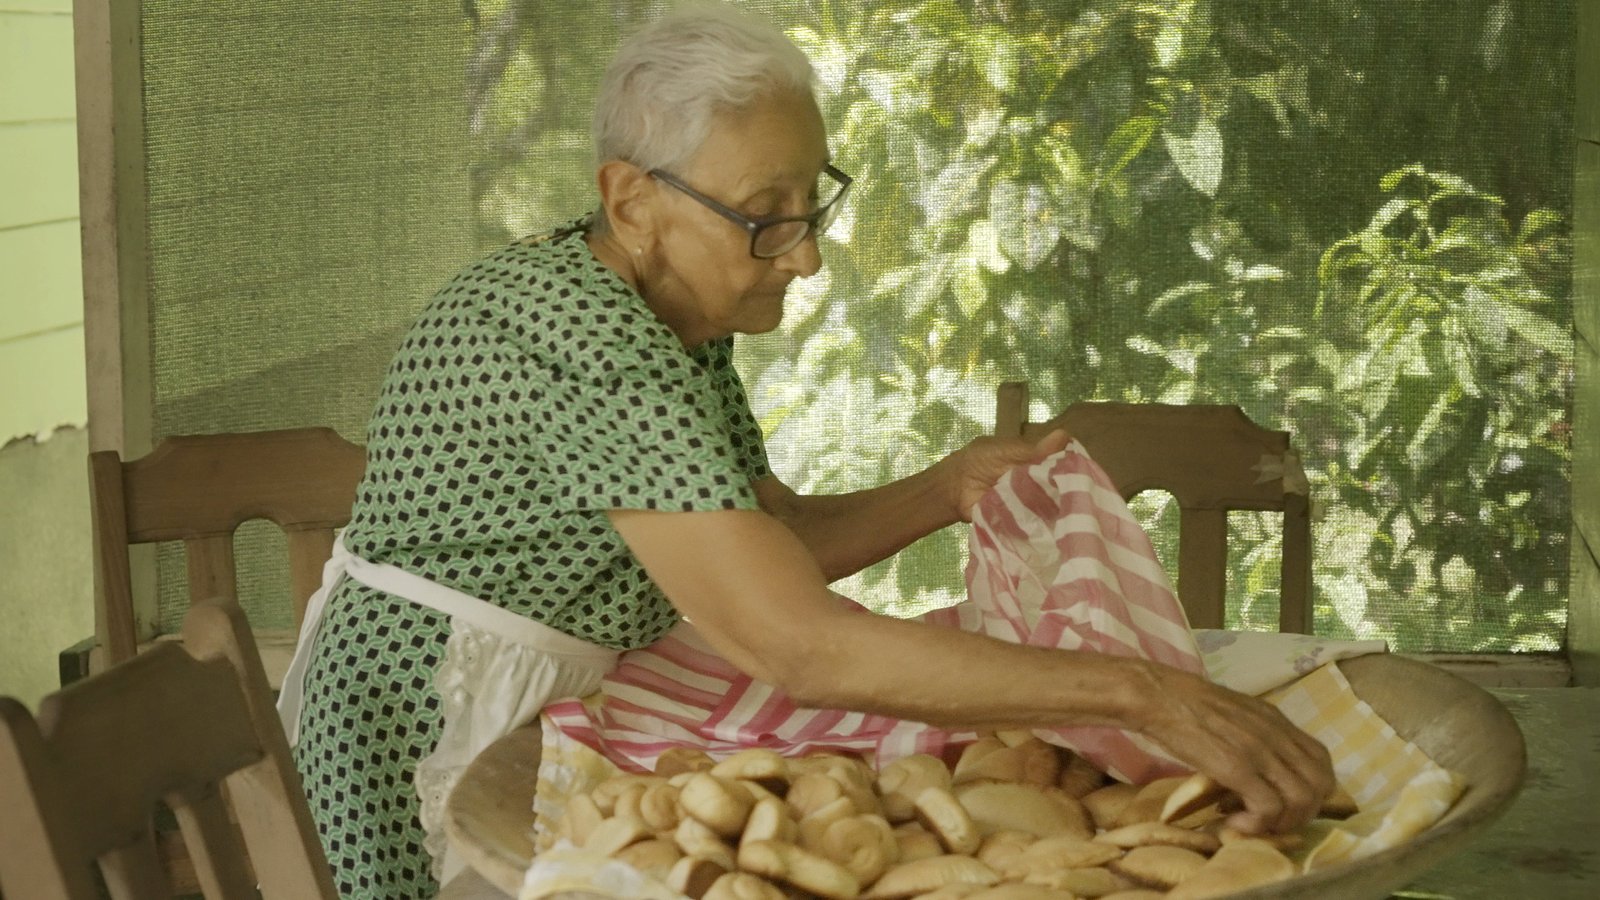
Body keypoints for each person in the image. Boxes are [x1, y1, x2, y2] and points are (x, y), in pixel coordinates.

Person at [280, 4, 1334, 897]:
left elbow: (769, 534)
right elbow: (792, 640)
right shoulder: (581, 344)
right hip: (427, 714)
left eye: (811, 201)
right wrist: (1137, 693)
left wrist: (949, 486)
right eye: (763, 217)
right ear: (631, 200)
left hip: (532, 692)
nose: (811, 257)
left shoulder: (665, 323)